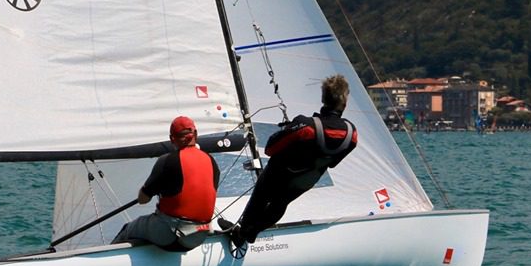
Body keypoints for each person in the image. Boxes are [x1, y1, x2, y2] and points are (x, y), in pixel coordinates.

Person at [229, 74, 358, 249]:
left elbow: (270, 149)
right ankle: (251, 232)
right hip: (306, 181)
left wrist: (289, 129)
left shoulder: (305, 125)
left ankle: (242, 232)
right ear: (345, 103)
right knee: (280, 203)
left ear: (323, 99)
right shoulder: (351, 133)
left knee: (262, 195)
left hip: (280, 175)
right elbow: (333, 163)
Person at [112, 116, 220, 250]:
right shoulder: (211, 161)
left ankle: (108, 259)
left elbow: (143, 199)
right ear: (196, 135)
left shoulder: (167, 160)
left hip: (170, 236)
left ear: (172, 139)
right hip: (198, 237)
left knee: (128, 229)